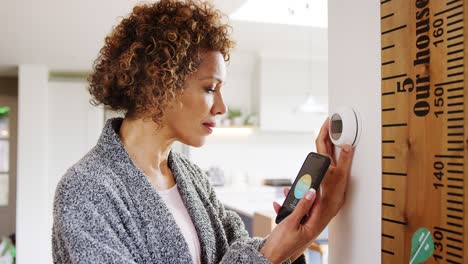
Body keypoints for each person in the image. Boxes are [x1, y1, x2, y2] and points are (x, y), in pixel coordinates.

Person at [52, 0, 355, 263]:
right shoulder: (85, 190)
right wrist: (270, 253)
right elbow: (260, 259)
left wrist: (321, 213)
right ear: (161, 83)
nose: (221, 107)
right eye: (210, 88)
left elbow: (248, 253)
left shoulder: (191, 176)